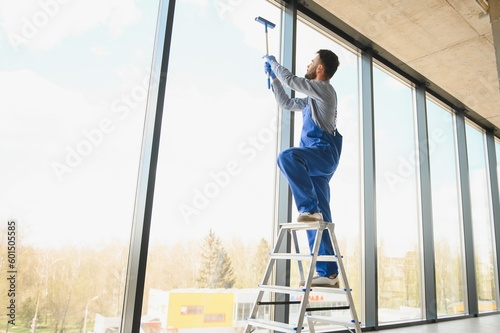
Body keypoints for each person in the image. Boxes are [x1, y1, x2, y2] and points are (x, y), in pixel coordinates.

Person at [263, 50, 342, 287]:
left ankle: (308, 208)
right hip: (316, 162)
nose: (308, 64)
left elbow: (292, 81)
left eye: (311, 61)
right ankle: (329, 272)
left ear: (320, 69)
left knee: (287, 157)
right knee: (320, 220)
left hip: (322, 154)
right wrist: (274, 80)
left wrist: (274, 63)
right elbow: (286, 102)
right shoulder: (311, 100)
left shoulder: (324, 89)